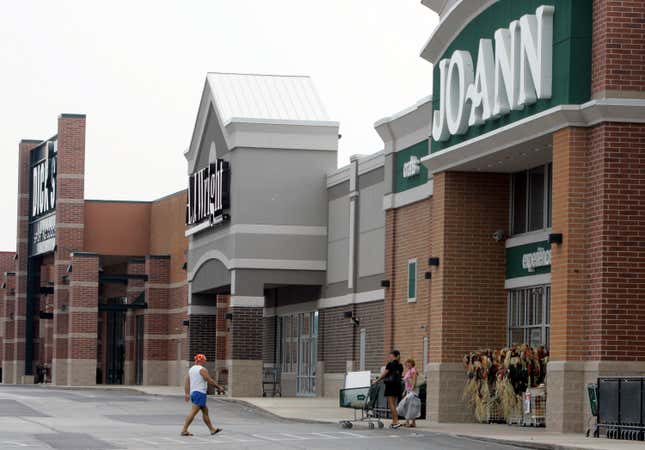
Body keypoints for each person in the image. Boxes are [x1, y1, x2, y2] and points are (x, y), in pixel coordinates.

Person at [181, 353, 226, 437]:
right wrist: (219, 387)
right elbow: (209, 380)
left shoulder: (191, 369)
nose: (205, 362)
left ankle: (212, 429)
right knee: (193, 412)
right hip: (200, 393)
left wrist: (187, 393)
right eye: (204, 360)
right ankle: (184, 430)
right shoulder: (202, 369)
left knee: (205, 411)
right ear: (201, 361)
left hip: (194, 393)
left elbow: (187, 381)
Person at [373, 350, 403, 429]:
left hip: (390, 386)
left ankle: (396, 421)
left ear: (395, 356)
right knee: (394, 404)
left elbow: (384, 374)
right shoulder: (400, 365)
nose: (390, 358)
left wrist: (376, 380)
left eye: (391, 356)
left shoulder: (390, 364)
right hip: (397, 386)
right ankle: (394, 422)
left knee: (391, 404)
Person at [402, 359, 419, 427]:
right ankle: (411, 422)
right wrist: (405, 391)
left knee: (409, 405)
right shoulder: (409, 371)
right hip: (408, 390)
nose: (406, 365)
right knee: (411, 405)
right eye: (406, 364)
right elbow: (406, 382)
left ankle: (408, 422)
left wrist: (411, 391)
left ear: (411, 363)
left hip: (412, 391)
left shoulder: (413, 370)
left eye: (408, 363)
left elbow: (414, 381)